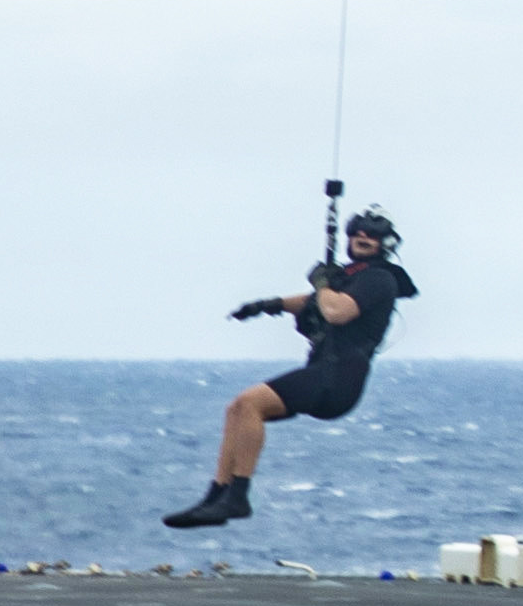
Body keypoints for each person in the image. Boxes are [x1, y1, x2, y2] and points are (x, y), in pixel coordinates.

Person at [170, 212, 417, 529]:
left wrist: (324, 282)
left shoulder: (379, 278)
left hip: (339, 378)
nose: (363, 239)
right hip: (323, 371)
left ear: (385, 244)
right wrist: (267, 305)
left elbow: (336, 310)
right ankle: (217, 494)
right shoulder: (350, 278)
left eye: (371, 236)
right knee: (236, 410)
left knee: (250, 403)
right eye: (357, 235)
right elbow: (314, 300)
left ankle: (238, 497)